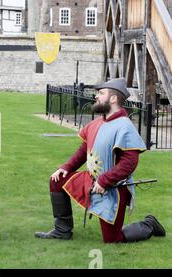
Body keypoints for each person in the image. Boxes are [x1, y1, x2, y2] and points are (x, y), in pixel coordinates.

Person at [35, 78, 166, 243]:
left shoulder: (125, 127)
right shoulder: (97, 122)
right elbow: (84, 150)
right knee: (57, 179)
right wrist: (66, 167)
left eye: (101, 93)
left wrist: (104, 181)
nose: (96, 96)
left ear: (113, 98)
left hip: (114, 188)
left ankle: (149, 224)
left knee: (112, 239)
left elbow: (129, 163)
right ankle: (62, 230)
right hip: (90, 180)